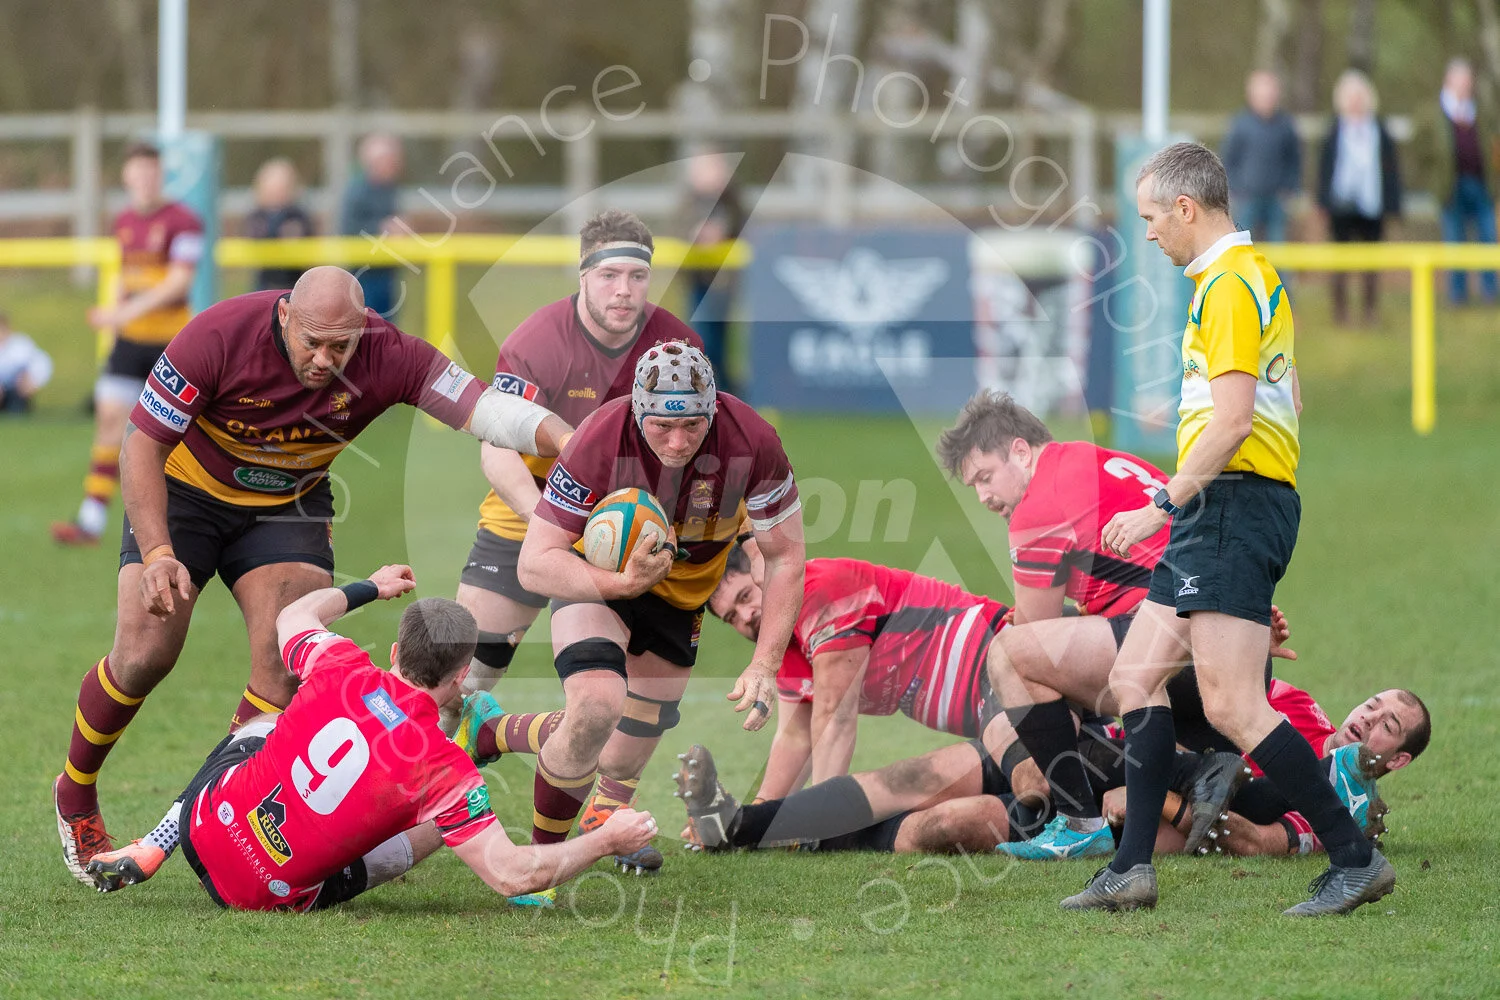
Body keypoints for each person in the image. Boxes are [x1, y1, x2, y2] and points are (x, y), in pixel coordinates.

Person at [52, 265, 572, 887]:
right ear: (284, 317)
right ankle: (76, 791)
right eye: (311, 342)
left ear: (363, 332)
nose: (325, 358)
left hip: (287, 506)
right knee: (144, 654)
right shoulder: (218, 334)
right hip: (186, 498)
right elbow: (142, 443)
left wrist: (568, 440)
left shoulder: (392, 353)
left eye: (341, 346)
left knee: (280, 668)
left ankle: (221, 814)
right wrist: (159, 551)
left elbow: (486, 409)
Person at [1065, 141, 1390, 918]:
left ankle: (1355, 857)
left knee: (1234, 706)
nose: (1147, 234)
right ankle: (1133, 870)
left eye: (1150, 218)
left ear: (1186, 209)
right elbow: (1285, 398)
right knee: (1134, 680)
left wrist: (1162, 502)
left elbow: (1239, 419)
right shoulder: (1241, 279)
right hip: (1223, 509)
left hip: (1232, 507)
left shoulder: (1233, 285)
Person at [82, 564, 657, 910]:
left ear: (394, 654)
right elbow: (511, 875)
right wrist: (610, 839)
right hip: (265, 896)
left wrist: (371, 588)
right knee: (440, 819)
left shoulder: (339, 663)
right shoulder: (443, 772)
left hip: (204, 831)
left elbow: (295, 616)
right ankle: (480, 745)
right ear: (461, 678)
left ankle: (159, 838)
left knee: (265, 721)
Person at [932, 390, 1291, 860]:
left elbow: (1033, 638)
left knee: (1012, 664)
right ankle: (1318, 784)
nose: (982, 496)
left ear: (1020, 451)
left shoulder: (1038, 504)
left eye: (985, 477)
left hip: (1173, 656)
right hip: (1231, 646)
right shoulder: (1102, 460)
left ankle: (1077, 821)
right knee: (1186, 812)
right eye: (973, 487)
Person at [500, 341, 803, 866]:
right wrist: (622, 583)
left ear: (715, 407)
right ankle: (541, 863)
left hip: (681, 598)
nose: (679, 441)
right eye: (662, 425)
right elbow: (535, 563)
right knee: (596, 708)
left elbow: (785, 558)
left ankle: (585, 807)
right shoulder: (600, 437)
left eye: (693, 425)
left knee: (619, 761)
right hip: (599, 581)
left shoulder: (754, 439)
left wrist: (765, 662)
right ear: (638, 409)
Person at [674, 682, 1428, 859]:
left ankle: (812, 841)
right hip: (1091, 755)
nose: (1369, 716)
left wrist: (1177, 810)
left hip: (1109, 805)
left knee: (945, 824)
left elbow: (1261, 840)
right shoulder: (1291, 705)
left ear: (1392, 758)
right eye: (1374, 703)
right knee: (925, 771)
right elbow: (1202, 695)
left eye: (1387, 723)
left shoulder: (1340, 802)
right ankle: (737, 825)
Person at [451, 210, 703, 722]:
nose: (623, 291)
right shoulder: (536, 342)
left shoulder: (675, 349)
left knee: (611, 697)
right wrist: (546, 524)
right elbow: (495, 448)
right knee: (460, 677)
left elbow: (694, 444)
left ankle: (603, 796)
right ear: (584, 275)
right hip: (529, 507)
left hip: (627, 521)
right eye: (609, 276)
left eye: (637, 276)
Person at [707, 544, 1015, 802]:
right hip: (989, 709)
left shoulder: (820, 592)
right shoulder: (785, 642)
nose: (746, 617)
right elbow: (796, 736)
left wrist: (814, 823)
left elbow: (834, 718)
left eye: (746, 596)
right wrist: (755, 819)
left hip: (1005, 661)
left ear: (767, 574)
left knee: (1021, 788)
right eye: (732, 616)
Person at [53, 142, 203, 545]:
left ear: (161, 175)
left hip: (170, 346)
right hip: (129, 344)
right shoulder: (123, 222)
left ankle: (185, 520)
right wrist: (115, 318)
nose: (145, 179)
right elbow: (123, 275)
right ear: (127, 176)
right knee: (108, 422)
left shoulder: (184, 221)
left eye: (152, 172)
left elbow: (179, 283)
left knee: (174, 440)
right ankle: (90, 519)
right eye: (138, 171)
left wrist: (125, 312)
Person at [1316, 70, 1402, 326]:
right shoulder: (1333, 131)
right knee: (1340, 263)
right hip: (1340, 206)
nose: (1355, 102)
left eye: (1359, 97)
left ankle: (1369, 311)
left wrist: (1393, 205)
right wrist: (1322, 202)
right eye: (1350, 97)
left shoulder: (1380, 131)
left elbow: (1391, 170)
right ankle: (1340, 311)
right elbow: (1324, 169)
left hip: (1371, 206)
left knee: (1371, 264)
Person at [677, 150, 745, 395]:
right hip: (697, 280)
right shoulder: (689, 201)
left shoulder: (731, 200)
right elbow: (678, 228)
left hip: (723, 283)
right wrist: (695, 234)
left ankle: (727, 390)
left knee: (719, 341)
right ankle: (708, 390)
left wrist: (720, 231)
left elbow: (739, 224)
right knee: (700, 337)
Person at [1434, 58, 1499, 305]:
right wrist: (1436, 180)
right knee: (1455, 240)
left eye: (1468, 80)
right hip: (1452, 187)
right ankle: (1457, 294)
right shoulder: (1437, 112)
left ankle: (1490, 291)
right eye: (1461, 80)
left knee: (1488, 237)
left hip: (1480, 184)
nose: (1465, 84)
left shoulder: (1479, 113)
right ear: (1449, 81)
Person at [1221, 70, 1302, 243]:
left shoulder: (1286, 125)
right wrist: (1236, 190)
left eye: (1270, 94)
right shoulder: (1240, 124)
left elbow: (1294, 161)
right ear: (1251, 96)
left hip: (1277, 200)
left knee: (1279, 249)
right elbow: (1229, 160)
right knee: (1241, 246)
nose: (1267, 99)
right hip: (1246, 199)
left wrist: (1289, 190)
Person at [340, 133, 403, 318]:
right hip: (364, 274)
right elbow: (349, 228)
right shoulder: (357, 190)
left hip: (386, 271)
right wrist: (382, 228)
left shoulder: (389, 189)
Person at [244, 157, 315, 292]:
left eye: (281, 188)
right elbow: (253, 239)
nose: (276, 193)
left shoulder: (297, 215)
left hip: (293, 282)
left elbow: (306, 240)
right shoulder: (256, 216)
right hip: (265, 282)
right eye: (272, 188)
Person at [0, 311, 53, 414]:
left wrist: (32, 380)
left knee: (15, 411)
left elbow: (41, 364)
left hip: (17, 391)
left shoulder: (20, 344)